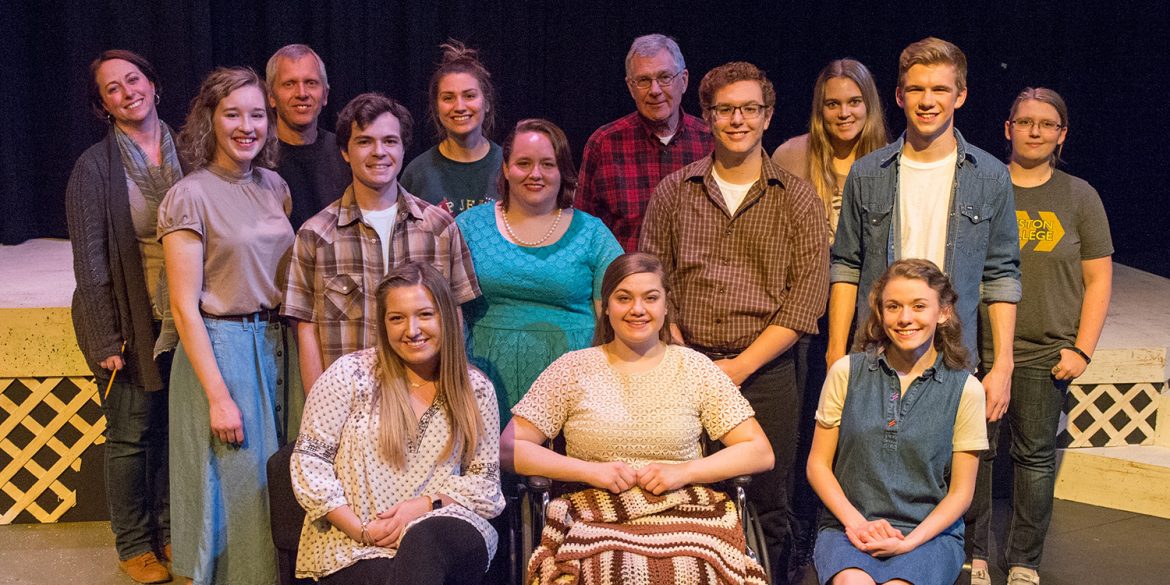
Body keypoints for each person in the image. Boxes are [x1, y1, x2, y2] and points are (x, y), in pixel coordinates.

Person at [640, 61, 830, 583]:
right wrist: (687, 357)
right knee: (686, 494)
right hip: (683, 363)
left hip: (766, 371)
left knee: (769, 499)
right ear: (707, 117)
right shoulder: (675, 192)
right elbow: (654, 283)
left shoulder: (798, 198)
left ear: (768, 116)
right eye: (726, 110)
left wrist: (741, 367)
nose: (738, 120)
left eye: (750, 109)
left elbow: (806, 299)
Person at [503, 252, 774, 584]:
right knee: (612, 568)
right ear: (605, 306)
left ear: (664, 307)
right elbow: (509, 448)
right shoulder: (574, 368)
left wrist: (683, 472)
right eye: (623, 298)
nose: (638, 309)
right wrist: (590, 471)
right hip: (595, 514)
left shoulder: (693, 368)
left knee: (692, 569)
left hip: (686, 512)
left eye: (650, 298)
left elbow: (759, 450)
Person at [827, 38, 1021, 474]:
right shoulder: (868, 173)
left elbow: (1002, 274)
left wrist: (1002, 364)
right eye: (916, 90)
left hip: (953, 353)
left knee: (958, 481)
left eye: (940, 89)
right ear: (899, 96)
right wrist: (836, 353)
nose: (928, 101)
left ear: (961, 95)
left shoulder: (990, 176)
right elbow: (846, 264)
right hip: (877, 346)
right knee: (870, 474)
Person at [159, 66, 304, 585]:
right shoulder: (189, 196)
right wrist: (219, 395)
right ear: (210, 120)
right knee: (232, 489)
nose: (247, 126)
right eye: (233, 114)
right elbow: (182, 307)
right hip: (221, 348)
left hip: (275, 344)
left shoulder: (275, 186)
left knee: (273, 484)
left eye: (258, 115)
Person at [967, 88, 1113, 585]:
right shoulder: (983, 184)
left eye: (1046, 124)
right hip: (978, 348)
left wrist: (1082, 349)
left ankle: (1025, 559)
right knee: (974, 451)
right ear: (1007, 127)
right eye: (1025, 122)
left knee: (1033, 457)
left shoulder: (1078, 196)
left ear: (1061, 135)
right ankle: (975, 552)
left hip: (1046, 352)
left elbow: (1098, 280)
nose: (1034, 132)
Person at [290, 263, 505, 584]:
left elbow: (485, 484)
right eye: (397, 318)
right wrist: (361, 530)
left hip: (445, 524)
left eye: (425, 315)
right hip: (354, 539)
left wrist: (424, 505)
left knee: (424, 539)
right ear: (383, 323)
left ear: (445, 316)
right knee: (392, 574)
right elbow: (310, 463)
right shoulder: (349, 375)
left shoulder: (475, 389)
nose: (412, 329)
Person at [770, 57, 889, 581]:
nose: (844, 113)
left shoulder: (890, 159)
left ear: (871, 104)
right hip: (802, 318)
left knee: (857, 431)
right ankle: (799, 538)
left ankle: (848, 528)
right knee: (805, 431)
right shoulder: (793, 155)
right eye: (832, 103)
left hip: (870, 321)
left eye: (854, 102)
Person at [65, 49, 177, 584]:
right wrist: (107, 336)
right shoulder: (95, 168)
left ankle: (173, 529)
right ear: (103, 105)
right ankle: (134, 543)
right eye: (113, 87)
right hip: (129, 317)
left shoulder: (195, 148)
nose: (127, 91)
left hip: (186, 316)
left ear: (153, 84)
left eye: (134, 78)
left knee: (176, 429)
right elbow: (89, 262)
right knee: (133, 434)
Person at [282, 92, 480, 392]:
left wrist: (451, 393)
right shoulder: (316, 235)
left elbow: (454, 317)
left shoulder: (440, 228)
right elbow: (307, 329)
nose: (379, 152)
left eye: (390, 141)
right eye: (365, 142)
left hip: (425, 396)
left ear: (402, 149)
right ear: (345, 152)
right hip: (350, 402)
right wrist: (318, 407)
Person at [808, 259, 988, 585]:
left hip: (928, 533)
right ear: (880, 312)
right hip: (850, 525)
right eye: (893, 306)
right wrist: (857, 524)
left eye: (919, 306)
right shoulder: (847, 373)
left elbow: (961, 493)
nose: (905, 318)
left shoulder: (966, 390)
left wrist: (910, 541)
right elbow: (818, 465)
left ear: (943, 312)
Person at [456, 118, 622, 423]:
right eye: (523, 163)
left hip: (574, 385)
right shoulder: (469, 226)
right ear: (505, 168)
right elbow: (446, 308)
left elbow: (618, 316)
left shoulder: (592, 233)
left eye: (548, 164)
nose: (535, 174)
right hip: (484, 382)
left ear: (562, 171)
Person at [574, 33, 713, 251]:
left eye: (665, 77)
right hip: (626, 280)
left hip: (696, 283)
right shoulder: (604, 144)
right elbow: (582, 231)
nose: (655, 90)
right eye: (643, 81)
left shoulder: (711, 141)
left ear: (683, 80)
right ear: (630, 87)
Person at [400, 40, 502, 216]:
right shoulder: (417, 174)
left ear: (487, 103)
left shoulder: (508, 166)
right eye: (448, 98)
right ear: (436, 108)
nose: (460, 106)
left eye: (469, 95)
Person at [266, 44, 351, 230]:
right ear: (271, 97)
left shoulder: (346, 154)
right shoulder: (256, 159)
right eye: (289, 84)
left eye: (311, 83)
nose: (302, 94)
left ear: (325, 95)